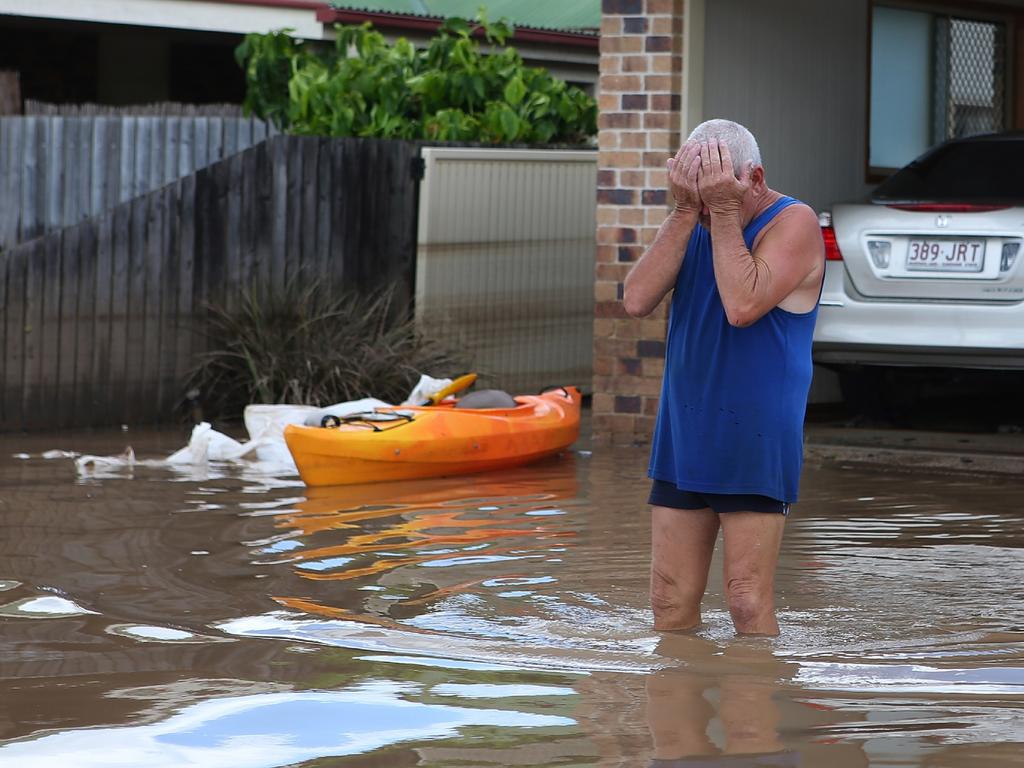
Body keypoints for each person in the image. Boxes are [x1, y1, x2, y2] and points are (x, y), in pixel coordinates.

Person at [622, 119, 824, 636]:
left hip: (754, 434)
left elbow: (742, 304)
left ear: (754, 178)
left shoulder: (793, 222)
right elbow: (636, 299)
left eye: (718, 192)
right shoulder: (695, 219)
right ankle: (675, 710)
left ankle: (752, 709)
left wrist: (726, 211)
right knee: (667, 601)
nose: (709, 207)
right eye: (699, 191)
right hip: (685, 429)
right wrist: (687, 209)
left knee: (745, 602)